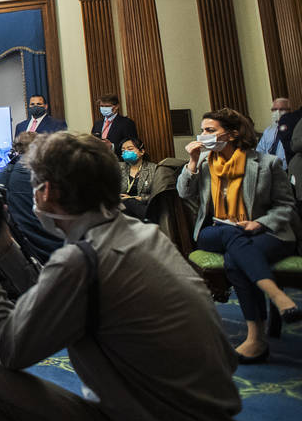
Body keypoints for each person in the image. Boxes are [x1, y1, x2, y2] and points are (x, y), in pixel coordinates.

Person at [0, 131, 243, 421]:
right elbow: (51, 292)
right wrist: (5, 242)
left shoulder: (83, 259)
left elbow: (8, 349)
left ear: (47, 192)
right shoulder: (141, 233)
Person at [177, 108, 301, 362]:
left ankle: (256, 338)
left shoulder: (267, 163)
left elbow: (286, 206)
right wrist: (191, 162)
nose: (203, 135)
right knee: (230, 235)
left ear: (232, 134)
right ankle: (276, 295)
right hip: (215, 231)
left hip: (262, 231)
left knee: (235, 258)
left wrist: (260, 224)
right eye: (202, 130)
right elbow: (183, 193)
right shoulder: (203, 162)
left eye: (210, 131)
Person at [0, 132, 61, 264]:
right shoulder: (56, 169)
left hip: (24, 243)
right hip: (58, 242)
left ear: (17, 149)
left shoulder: (10, 170)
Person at [118, 137, 158, 220]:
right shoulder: (117, 167)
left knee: (130, 202)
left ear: (142, 151)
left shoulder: (154, 169)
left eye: (130, 149)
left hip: (142, 205)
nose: (126, 152)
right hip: (121, 206)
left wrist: (139, 198)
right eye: (123, 150)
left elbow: (157, 195)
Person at [255, 97, 293, 169]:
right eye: (274, 109)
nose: (277, 112)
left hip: (287, 171)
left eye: (282, 109)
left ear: (290, 110)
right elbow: (259, 153)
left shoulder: (294, 128)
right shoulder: (268, 131)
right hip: (269, 172)